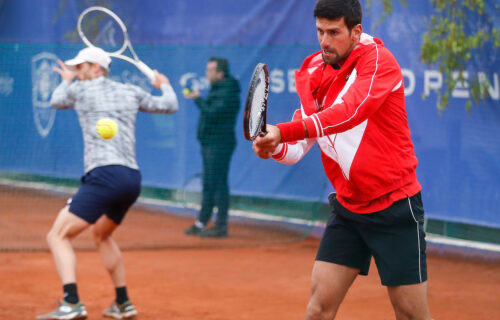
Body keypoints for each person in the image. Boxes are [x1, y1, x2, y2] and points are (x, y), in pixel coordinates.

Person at [252, 1, 433, 319]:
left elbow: (348, 112)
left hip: (395, 207)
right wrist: (274, 147)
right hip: (348, 210)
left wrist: (282, 130)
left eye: (334, 32)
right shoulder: (311, 71)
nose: (324, 40)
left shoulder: (378, 61)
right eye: (320, 31)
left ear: (355, 32)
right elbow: (298, 146)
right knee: (318, 309)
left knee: (411, 315)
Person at [37, 47, 178, 320]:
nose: (76, 73)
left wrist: (66, 81)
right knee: (101, 235)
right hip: (131, 179)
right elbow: (169, 105)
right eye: (74, 69)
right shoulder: (131, 91)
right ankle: (123, 303)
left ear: (97, 68)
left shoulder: (80, 90)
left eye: (80, 68)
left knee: (57, 235)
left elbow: (55, 100)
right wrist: (165, 86)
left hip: (104, 176)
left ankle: (71, 303)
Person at [183, 57, 240, 238]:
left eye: (210, 71)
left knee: (219, 184)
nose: (207, 74)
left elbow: (212, 112)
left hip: (220, 144)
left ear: (220, 73)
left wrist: (198, 99)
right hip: (210, 144)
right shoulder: (219, 89)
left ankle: (221, 226)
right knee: (209, 184)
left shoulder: (229, 92)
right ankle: (201, 222)